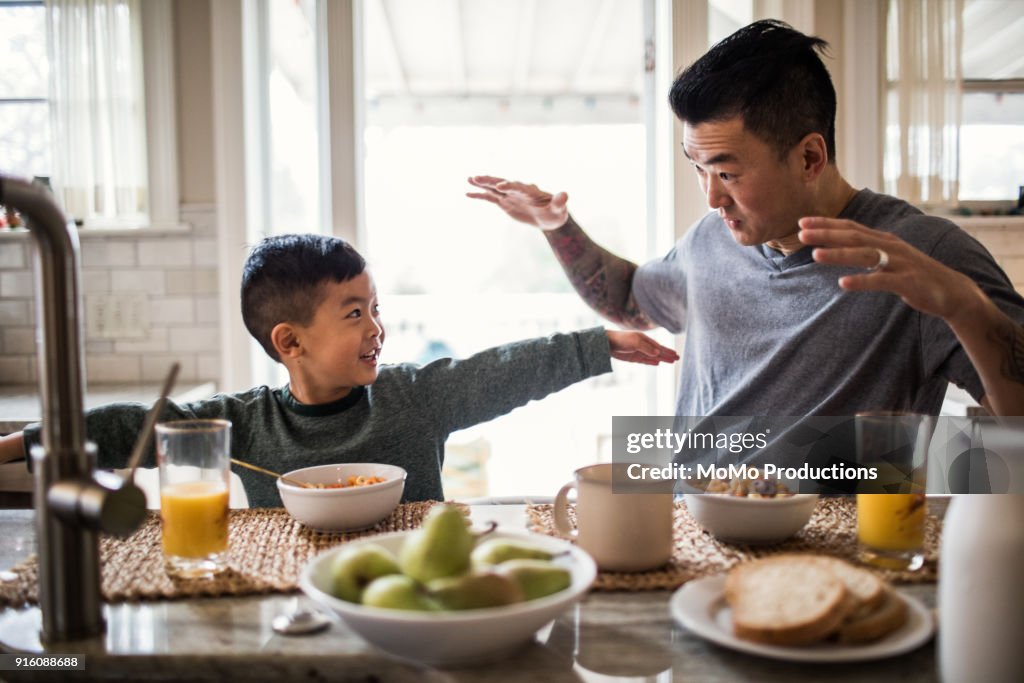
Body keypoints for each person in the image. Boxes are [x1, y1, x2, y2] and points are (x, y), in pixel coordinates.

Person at [468, 19, 1024, 419]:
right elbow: (630, 300)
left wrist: (964, 305)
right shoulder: (712, 238)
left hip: (831, 558)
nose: (711, 199)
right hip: (690, 532)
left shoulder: (920, 254)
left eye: (727, 173)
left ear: (810, 157)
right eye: (697, 168)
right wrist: (556, 226)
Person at [0, 234, 678, 506]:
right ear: (289, 341)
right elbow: (132, 427)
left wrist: (597, 345)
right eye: (354, 313)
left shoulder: (411, 396)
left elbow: (501, 369)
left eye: (376, 308)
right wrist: (19, 443)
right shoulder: (242, 424)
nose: (377, 327)